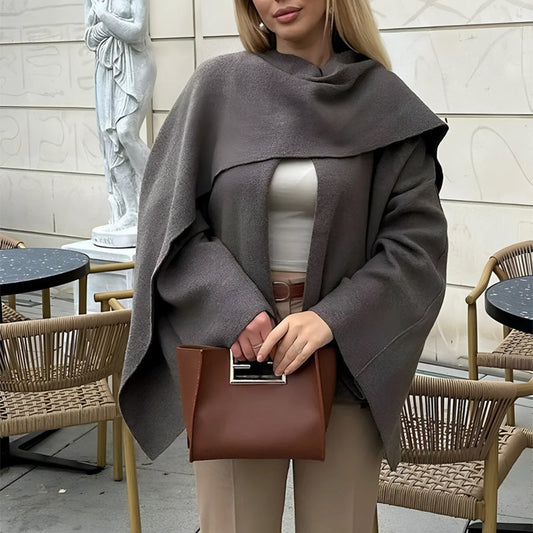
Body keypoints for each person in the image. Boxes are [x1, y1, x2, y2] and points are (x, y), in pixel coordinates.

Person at [119, 0, 449, 531]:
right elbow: (167, 223)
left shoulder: (384, 103)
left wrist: (331, 319)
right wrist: (233, 307)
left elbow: (417, 247)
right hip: (239, 360)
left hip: (346, 364)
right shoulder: (217, 90)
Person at [84, 0, 155, 231]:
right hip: (106, 66)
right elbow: (89, 39)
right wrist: (113, 26)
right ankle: (131, 211)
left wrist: (104, 17)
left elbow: (137, 32)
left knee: (126, 132)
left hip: (136, 64)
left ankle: (159, 196)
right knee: (112, 140)